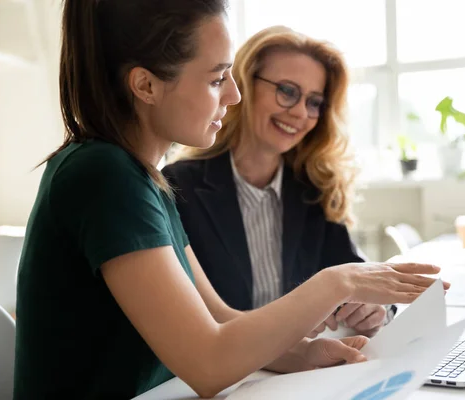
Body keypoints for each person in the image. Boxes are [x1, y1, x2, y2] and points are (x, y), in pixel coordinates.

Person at [13, 2, 447, 399]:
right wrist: (339, 282)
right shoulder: (104, 176)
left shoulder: (141, 179)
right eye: (217, 78)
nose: (233, 95)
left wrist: (304, 354)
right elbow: (207, 364)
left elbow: (219, 316)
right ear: (145, 85)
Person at [163, 26, 392, 338]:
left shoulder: (313, 187)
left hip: (300, 370)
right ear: (243, 84)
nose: (300, 112)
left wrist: (375, 307)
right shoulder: (178, 186)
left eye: (314, 102)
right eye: (287, 91)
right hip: (224, 371)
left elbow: (358, 274)